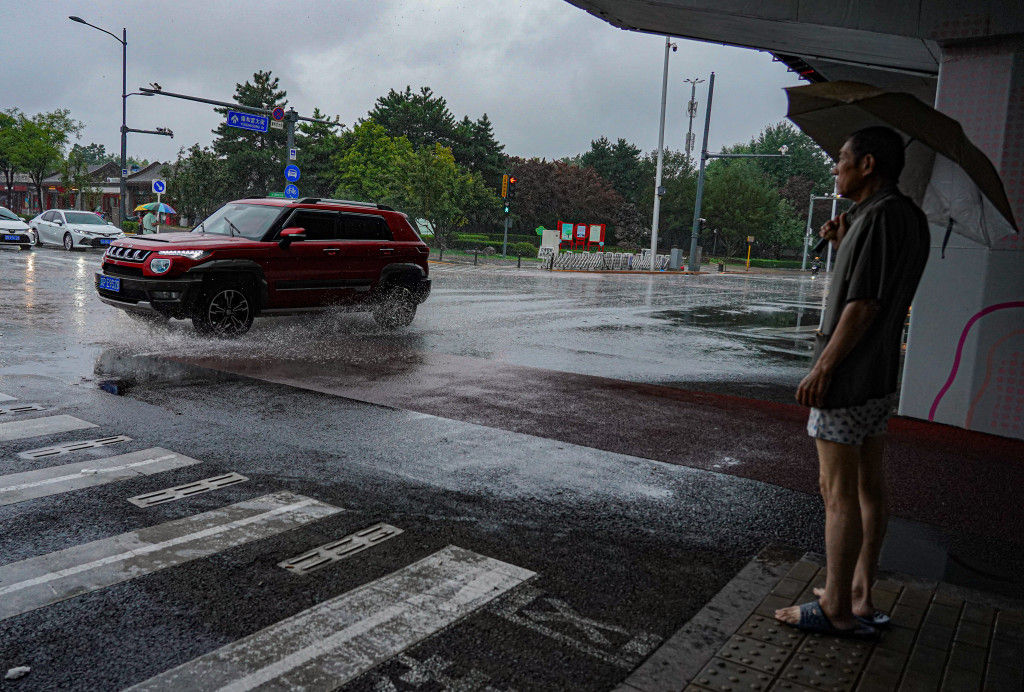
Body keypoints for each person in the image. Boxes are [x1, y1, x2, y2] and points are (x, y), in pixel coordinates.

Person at [774, 126, 930, 638]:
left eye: (841, 159)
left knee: (835, 490)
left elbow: (862, 305)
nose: (835, 168)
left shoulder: (877, 219)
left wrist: (822, 368)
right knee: (869, 486)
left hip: (848, 376)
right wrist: (844, 241)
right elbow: (876, 288)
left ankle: (836, 606)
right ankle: (861, 593)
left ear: (867, 165)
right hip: (881, 375)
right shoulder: (906, 216)